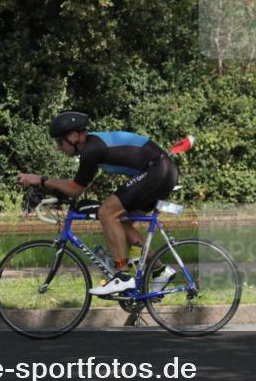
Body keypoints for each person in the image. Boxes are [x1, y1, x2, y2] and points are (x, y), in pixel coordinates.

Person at [17, 111, 178, 296]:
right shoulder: (93, 148)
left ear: (74, 136)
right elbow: (77, 186)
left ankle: (122, 275)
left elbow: (75, 189)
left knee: (106, 213)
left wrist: (40, 179)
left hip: (157, 171)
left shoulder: (91, 150)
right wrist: (48, 185)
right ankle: (160, 271)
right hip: (162, 171)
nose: (59, 147)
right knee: (121, 222)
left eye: (60, 142)